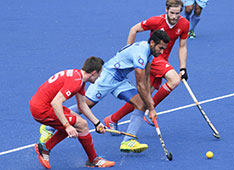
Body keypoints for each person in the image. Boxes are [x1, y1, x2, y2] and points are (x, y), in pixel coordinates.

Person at [38, 30, 170, 153]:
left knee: (141, 104)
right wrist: (151, 108)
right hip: (107, 76)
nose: (162, 52)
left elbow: (146, 80)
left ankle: (128, 141)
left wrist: (149, 104)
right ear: (152, 43)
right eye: (161, 48)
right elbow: (140, 85)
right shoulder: (140, 53)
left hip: (120, 80)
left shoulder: (150, 53)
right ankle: (48, 127)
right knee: (85, 105)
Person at [104, 0, 189, 131]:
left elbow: (182, 46)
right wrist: (129, 51)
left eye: (177, 13)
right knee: (174, 80)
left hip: (163, 61)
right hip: (152, 59)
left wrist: (183, 68)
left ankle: (113, 119)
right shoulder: (156, 21)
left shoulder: (184, 24)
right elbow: (134, 29)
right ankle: (151, 110)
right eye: (172, 13)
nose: (174, 17)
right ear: (166, 10)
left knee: (143, 98)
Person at [29, 56, 115, 169]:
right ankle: (93, 160)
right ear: (94, 73)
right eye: (100, 74)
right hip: (42, 109)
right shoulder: (75, 82)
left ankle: (45, 148)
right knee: (81, 125)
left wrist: (97, 123)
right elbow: (56, 103)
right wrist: (67, 125)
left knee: (76, 120)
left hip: (41, 104)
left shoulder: (79, 78)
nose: (100, 77)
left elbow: (82, 106)